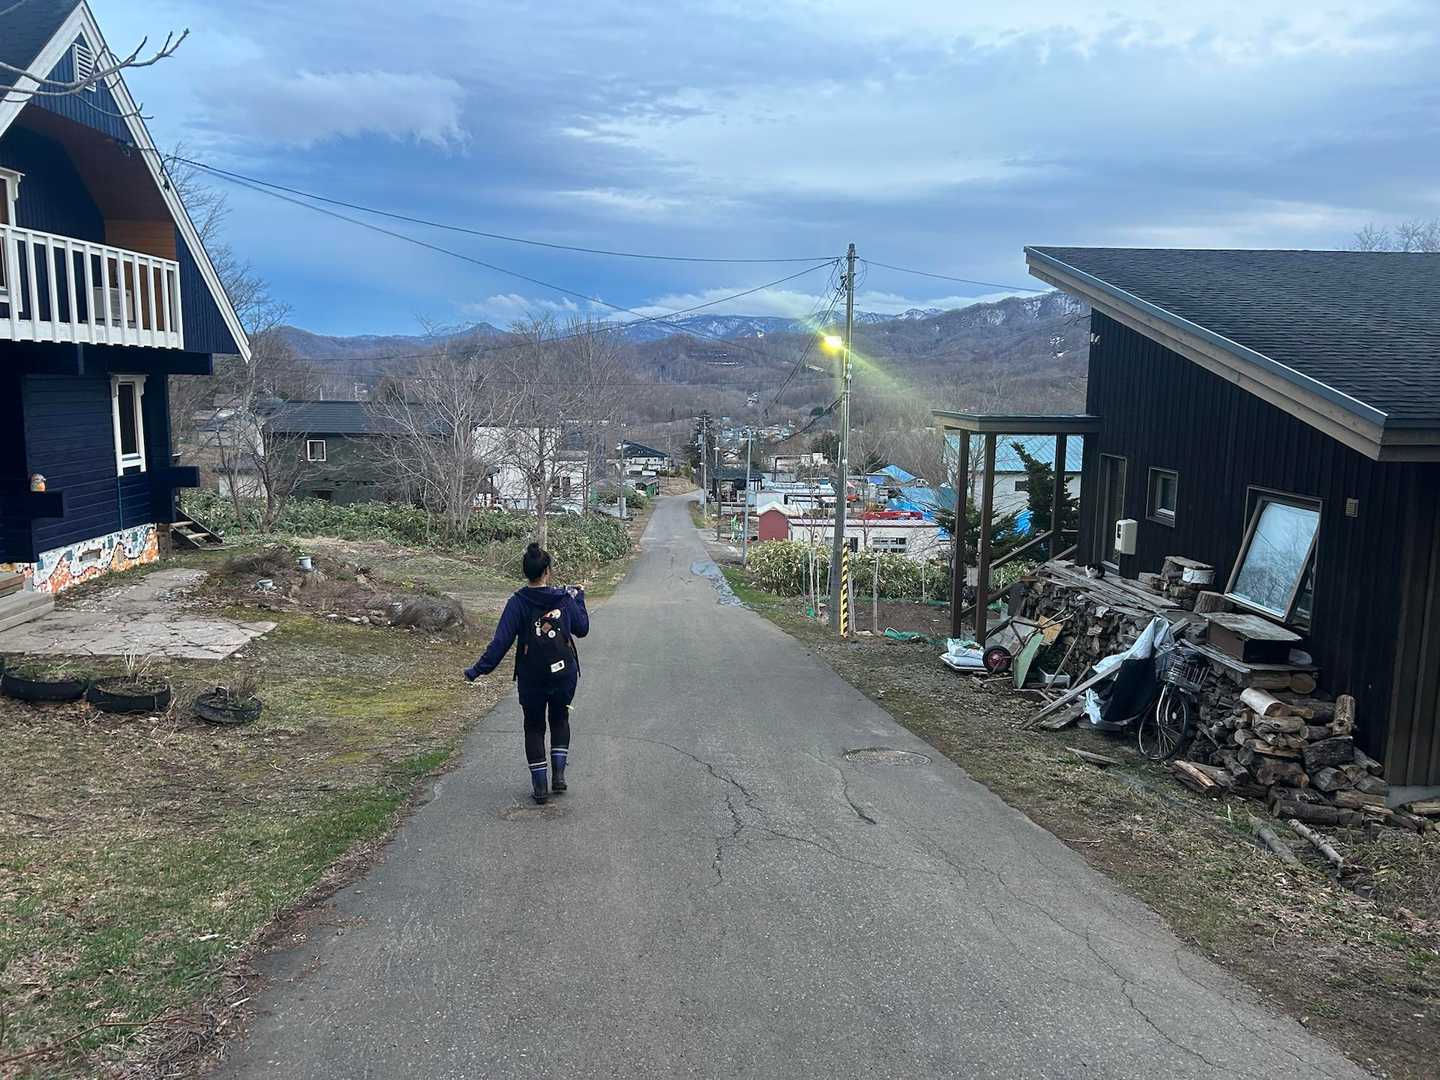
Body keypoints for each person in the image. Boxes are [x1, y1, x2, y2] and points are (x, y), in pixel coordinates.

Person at [465, 542, 589, 803]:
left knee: (533, 727)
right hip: (563, 674)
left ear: (526, 572)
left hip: (531, 677)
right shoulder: (564, 598)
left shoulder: (517, 603)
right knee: (560, 719)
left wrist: (477, 670)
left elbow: (500, 643)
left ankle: (540, 788)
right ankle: (559, 777)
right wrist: (579, 598)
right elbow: (582, 629)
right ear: (547, 571)